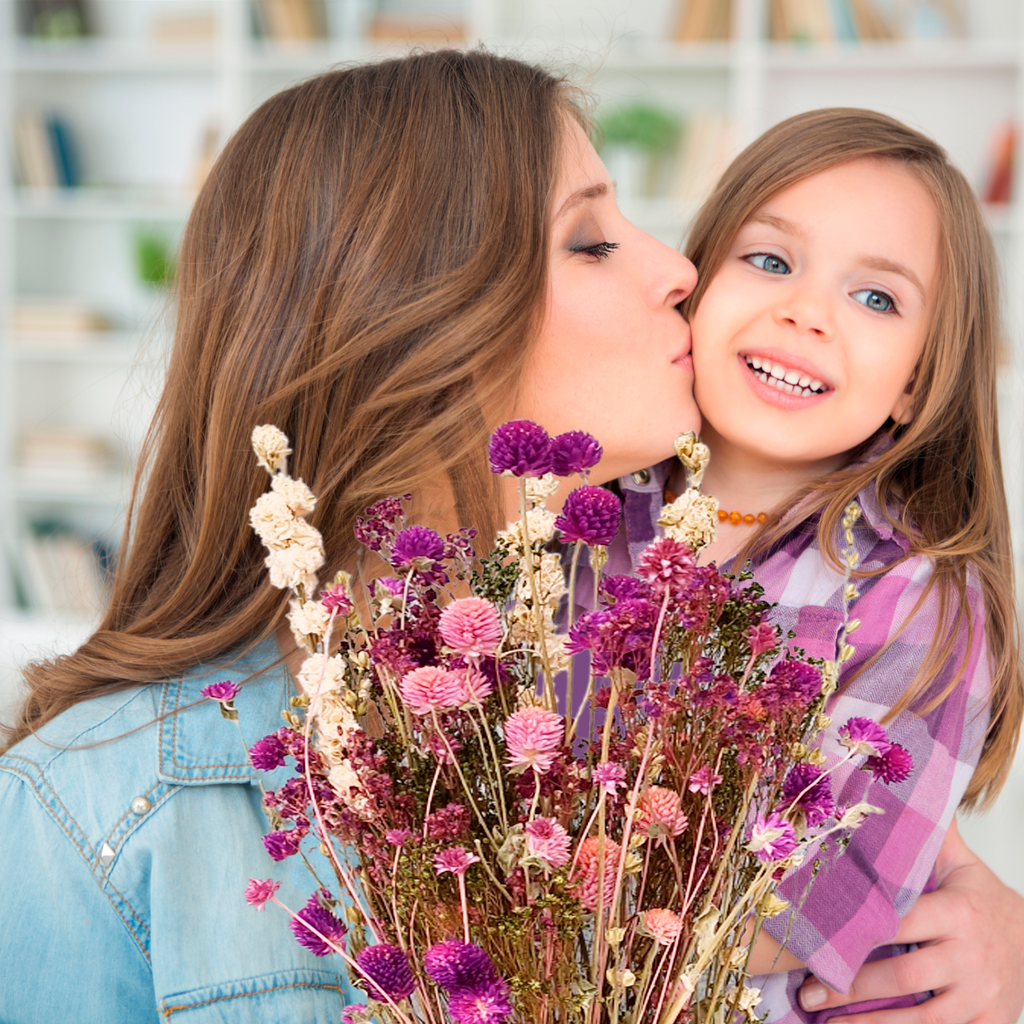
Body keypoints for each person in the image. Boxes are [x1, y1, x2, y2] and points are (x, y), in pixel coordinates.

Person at [0, 52, 1020, 1022]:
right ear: (417, 319)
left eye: (876, 296)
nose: (681, 267)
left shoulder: (875, 600)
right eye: (590, 239)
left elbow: (824, 884)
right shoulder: (92, 807)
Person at [679, 108, 1021, 1021]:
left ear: (917, 381)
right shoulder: (572, 510)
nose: (806, 312)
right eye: (770, 260)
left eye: (877, 299)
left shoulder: (916, 598)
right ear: (694, 283)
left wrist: (545, 924)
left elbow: (820, 894)